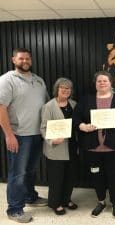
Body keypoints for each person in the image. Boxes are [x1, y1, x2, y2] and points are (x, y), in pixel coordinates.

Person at [72, 71, 115, 219]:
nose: (102, 83)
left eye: (105, 81)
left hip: (114, 146)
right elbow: (76, 118)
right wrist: (83, 126)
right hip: (92, 147)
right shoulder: (86, 100)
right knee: (96, 175)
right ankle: (101, 201)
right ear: (95, 83)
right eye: (99, 81)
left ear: (111, 83)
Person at [0, 48, 48, 223]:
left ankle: (30, 197)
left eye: (28, 58)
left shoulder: (38, 80)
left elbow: (46, 106)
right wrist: (9, 135)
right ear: (14, 59)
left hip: (37, 134)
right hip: (19, 136)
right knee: (18, 173)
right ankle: (14, 209)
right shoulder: (7, 80)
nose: (25, 61)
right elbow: (1, 108)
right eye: (21, 58)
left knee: (30, 170)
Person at [40, 78, 78, 215]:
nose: (66, 90)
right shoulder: (49, 106)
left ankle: (66, 199)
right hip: (56, 148)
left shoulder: (74, 104)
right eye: (63, 87)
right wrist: (51, 141)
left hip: (72, 147)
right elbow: (43, 128)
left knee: (70, 176)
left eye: (68, 88)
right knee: (57, 178)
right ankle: (55, 203)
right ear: (57, 89)